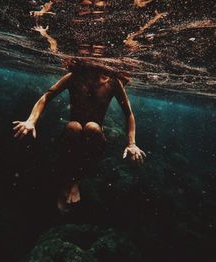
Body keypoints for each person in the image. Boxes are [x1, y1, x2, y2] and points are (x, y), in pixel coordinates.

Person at [12, 58, 146, 212]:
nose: (98, 71)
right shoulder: (74, 76)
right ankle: (68, 181)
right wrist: (31, 121)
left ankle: (75, 181)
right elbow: (46, 96)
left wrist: (132, 143)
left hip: (95, 139)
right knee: (74, 126)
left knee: (92, 127)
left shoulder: (114, 82)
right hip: (71, 136)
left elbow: (128, 114)